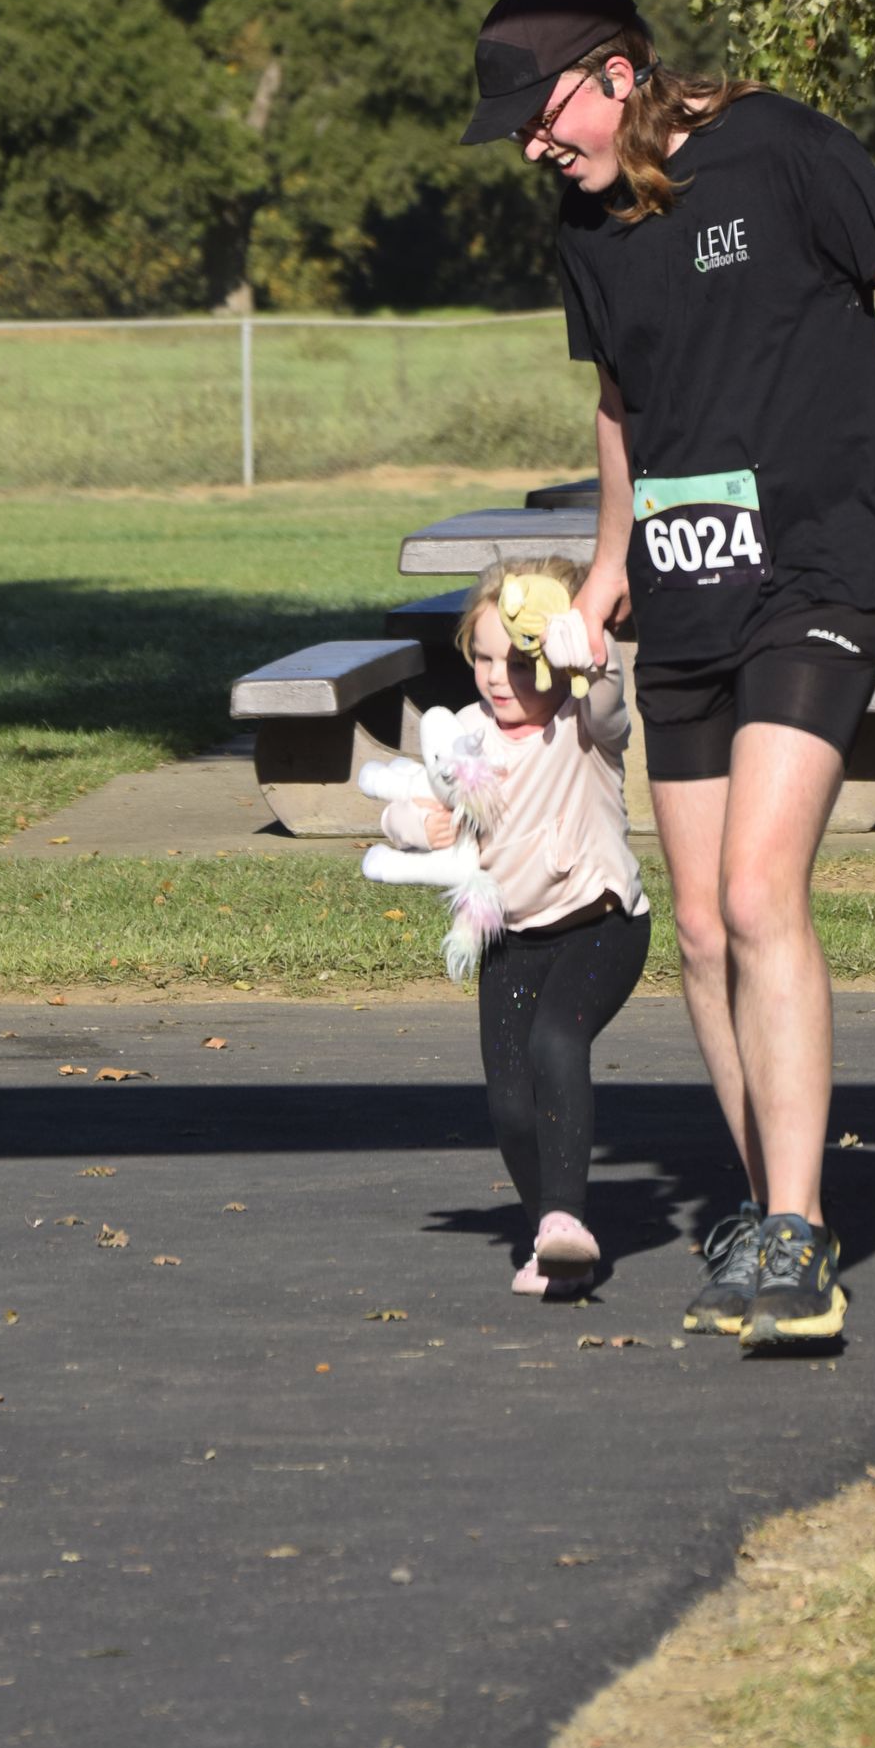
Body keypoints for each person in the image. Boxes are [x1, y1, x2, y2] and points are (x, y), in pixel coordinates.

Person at [460, 0, 875, 1349]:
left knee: (758, 885)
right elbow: (623, 404)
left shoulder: (780, 148)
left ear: (617, 72)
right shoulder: (583, 227)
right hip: (681, 591)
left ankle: (794, 1236)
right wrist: (609, 565)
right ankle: (761, 1207)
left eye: (544, 113)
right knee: (703, 928)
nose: (534, 146)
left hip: (819, 567)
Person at [374, 552, 650, 1298]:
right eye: (484, 659)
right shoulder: (468, 735)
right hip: (511, 939)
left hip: (601, 923)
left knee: (557, 1042)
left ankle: (564, 1215)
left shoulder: (581, 725)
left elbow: (609, 699)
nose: (500, 680)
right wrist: (413, 824)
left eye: (520, 663)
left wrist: (589, 648)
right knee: (507, 1099)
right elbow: (407, 794)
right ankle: (554, 1241)